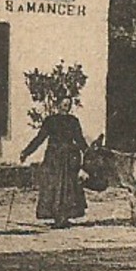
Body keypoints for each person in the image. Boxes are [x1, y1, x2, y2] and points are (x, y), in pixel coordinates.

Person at [19, 96, 88, 228]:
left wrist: (87, 152)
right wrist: (26, 152)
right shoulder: (51, 121)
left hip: (69, 158)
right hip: (54, 158)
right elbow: (40, 138)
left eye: (68, 104)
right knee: (53, 187)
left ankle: (64, 217)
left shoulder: (73, 121)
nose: (66, 107)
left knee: (69, 188)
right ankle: (57, 216)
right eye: (63, 104)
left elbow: (79, 139)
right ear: (58, 105)